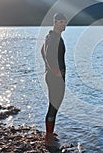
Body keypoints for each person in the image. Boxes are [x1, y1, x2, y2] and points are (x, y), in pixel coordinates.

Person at [41, 12, 67, 146]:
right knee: (54, 105)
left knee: (54, 104)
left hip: (52, 76)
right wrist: (56, 72)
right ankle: (49, 137)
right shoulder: (54, 38)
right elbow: (49, 55)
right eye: (61, 22)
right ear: (55, 22)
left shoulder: (50, 36)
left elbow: (42, 51)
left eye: (65, 22)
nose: (64, 24)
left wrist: (48, 68)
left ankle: (49, 132)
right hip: (55, 78)